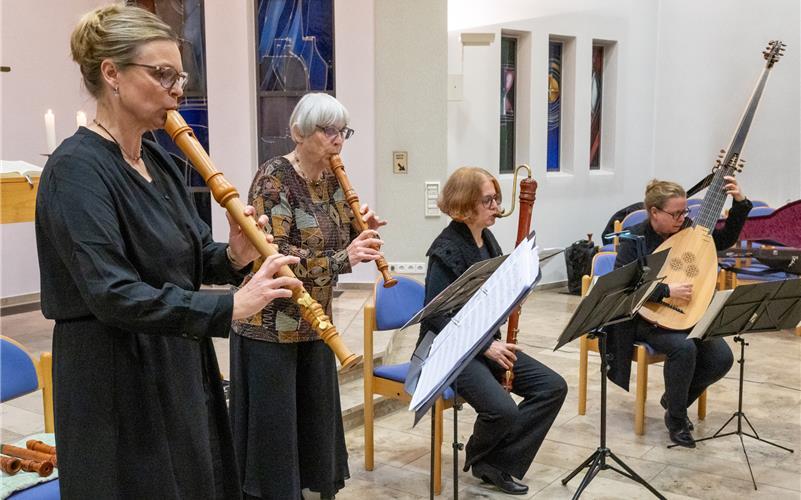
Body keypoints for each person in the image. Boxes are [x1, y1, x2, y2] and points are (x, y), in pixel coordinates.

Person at [35, 5, 300, 498]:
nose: (178, 89)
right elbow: (111, 292)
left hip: (176, 358)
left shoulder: (158, 156)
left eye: (180, 75)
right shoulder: (76, 169)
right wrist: (231, 306)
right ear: (112, 73)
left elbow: (193, 256)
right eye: (163, 75)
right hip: (114, 376)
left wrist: (237, 255)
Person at [230, 93, 385, 499]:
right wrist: (343, 258)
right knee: (276, 439)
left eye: (342, 131)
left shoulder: (333, 179)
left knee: (315, 429)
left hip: (315, 322)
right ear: (298, 132)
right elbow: (276, 255)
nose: (337, 140)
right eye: (328, 130)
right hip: (269, 327)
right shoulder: (273, 178)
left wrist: (360, 231)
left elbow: (335, 238)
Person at [417, 167, 567, 495]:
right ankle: (481, 455)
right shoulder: (445, 249)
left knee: (552, 387)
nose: (496, 206)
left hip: (483, 344)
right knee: (502, 410)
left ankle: (496, 461)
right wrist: (486, 347)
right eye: (488, 200)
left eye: (496, 198)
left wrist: (517, 291)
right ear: (466, 204)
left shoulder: (487, 239)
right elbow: (438, 316)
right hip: (448, 349)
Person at [607, 177, 752, 448]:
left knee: (722, 357)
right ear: (654, 213)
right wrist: (664, 291)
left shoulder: (689, 232)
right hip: (641, 317)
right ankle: (676, 420)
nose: (682, 218)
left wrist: (740, 203)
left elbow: (723, 240)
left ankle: (676, 398)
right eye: (676, 213)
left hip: (685, 314)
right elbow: (623, 285)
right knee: (684, 349)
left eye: (685, 211)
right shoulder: (634, 239)